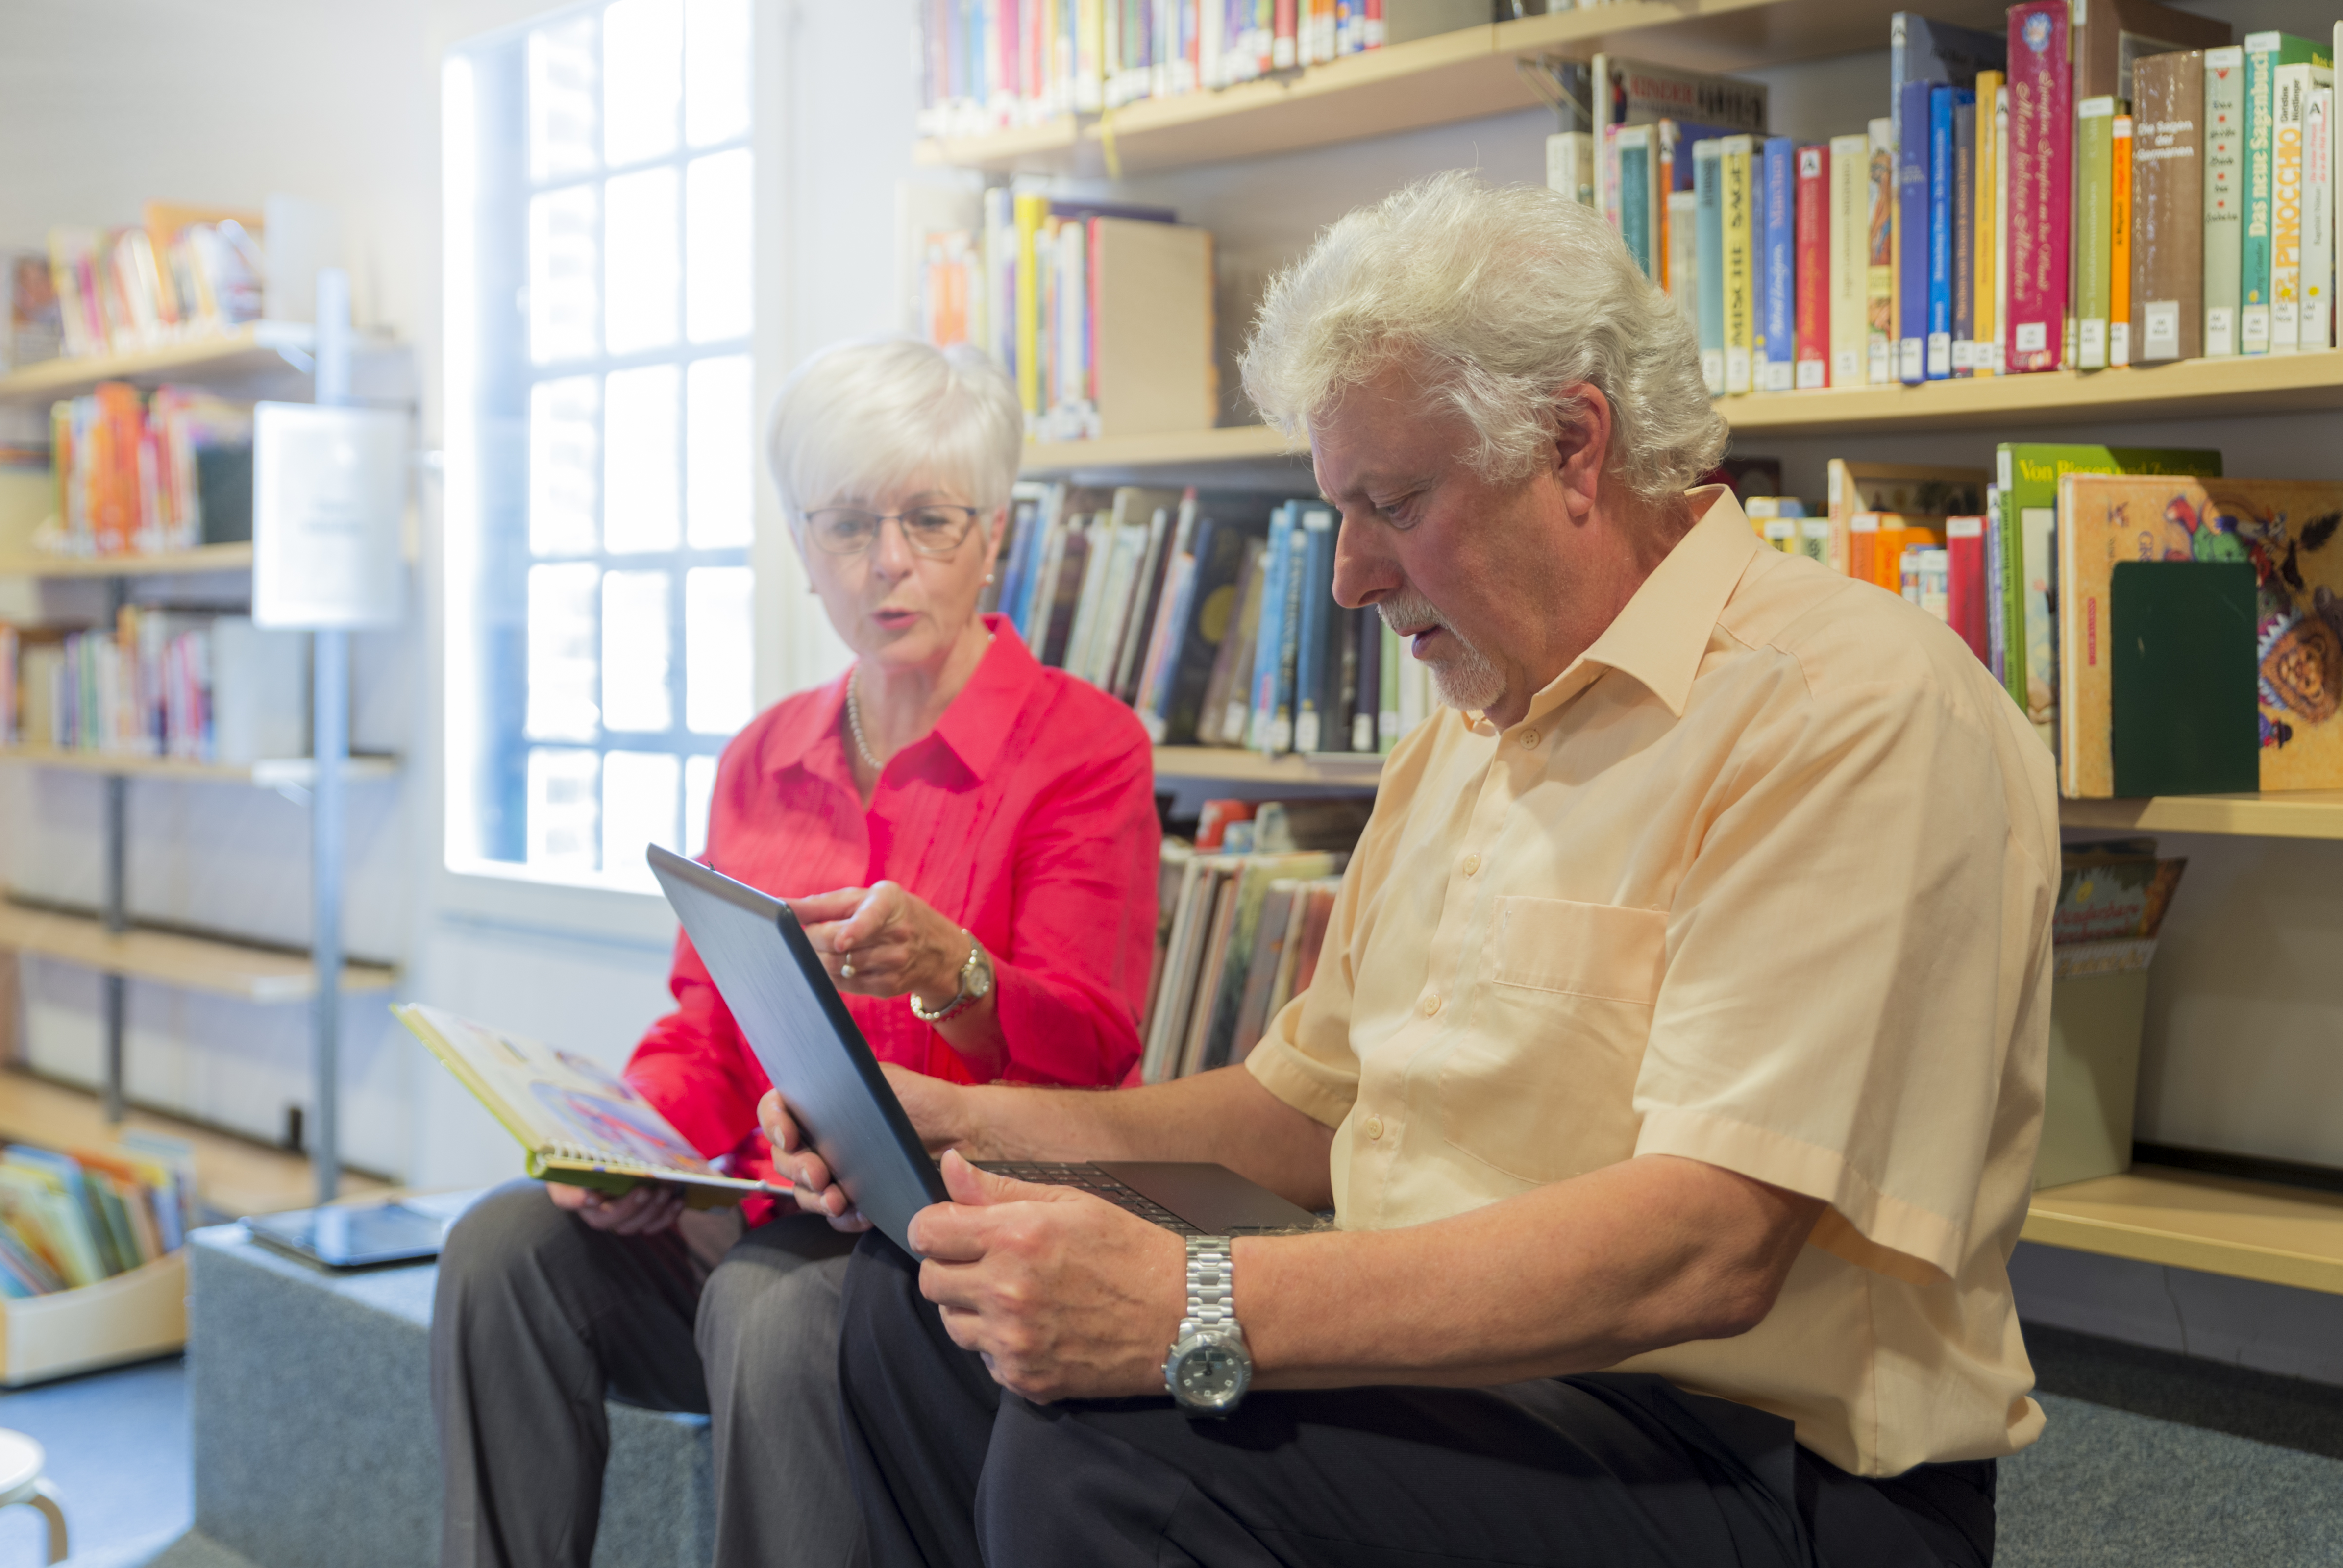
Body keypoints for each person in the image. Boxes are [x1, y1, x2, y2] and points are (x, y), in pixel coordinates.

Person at [772, 174, 2060, 1567]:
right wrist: (956, 1127)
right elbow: (1295, 1116)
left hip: (1756, 1459)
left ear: (1575, 445)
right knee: (918, 1321)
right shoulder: (1464, 733)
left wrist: (1199, 1300)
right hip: (1479, 1392)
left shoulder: (1851, 708)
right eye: (1341, 510)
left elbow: (1710, 1245)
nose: (1350, 579)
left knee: (1117, 1449)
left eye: (1392, 501)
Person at [430, 339, 1162, 1568]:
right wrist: (633, 1141)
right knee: (506, 1248)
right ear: (798, 540)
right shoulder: (762, 756)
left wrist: (958, 975)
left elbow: (1093, 1055)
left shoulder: (1084, 749)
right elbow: (706, 1032)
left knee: (772, 1309)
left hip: (975, 1234)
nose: (888, 562)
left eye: (930, 519)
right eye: (845, 524)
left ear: (995, 535)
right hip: (789, 1208)